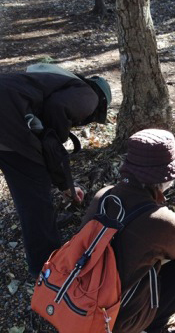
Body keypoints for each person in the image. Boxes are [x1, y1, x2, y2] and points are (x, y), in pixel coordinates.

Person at [81, 129, 175, 333]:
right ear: (165, 177)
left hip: (83, 298)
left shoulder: (105, 195)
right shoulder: (159, 221)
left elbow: (141, 222)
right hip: (116, 319)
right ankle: (152, 327)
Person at [0, 63, 112, 278]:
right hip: (7, 120)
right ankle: (47, 268)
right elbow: (51, 130)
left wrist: (64, 184)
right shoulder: (90, 95)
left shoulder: (54, 79)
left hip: (8, 117)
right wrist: (63, 179)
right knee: (35, 201)